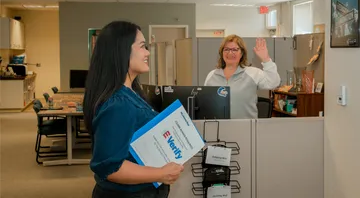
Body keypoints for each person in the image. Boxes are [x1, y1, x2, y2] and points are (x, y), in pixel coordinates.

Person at [83, 21, 184, 198]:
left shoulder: (130, 92)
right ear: (122, 50)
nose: (147, 52)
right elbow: (111, 167)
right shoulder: (118, 103)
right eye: (142, 46)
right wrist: (160, 173)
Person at [204, 35, 280, 119]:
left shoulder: (253, 73)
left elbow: (273, 83)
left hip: (246, 129)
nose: (230, 53)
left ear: (242, 53)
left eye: (235, 49)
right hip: (218, 129)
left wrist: (266, 59)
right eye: (226, 49)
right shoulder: (212, 75)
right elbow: (205, 104)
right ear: (222, 53)